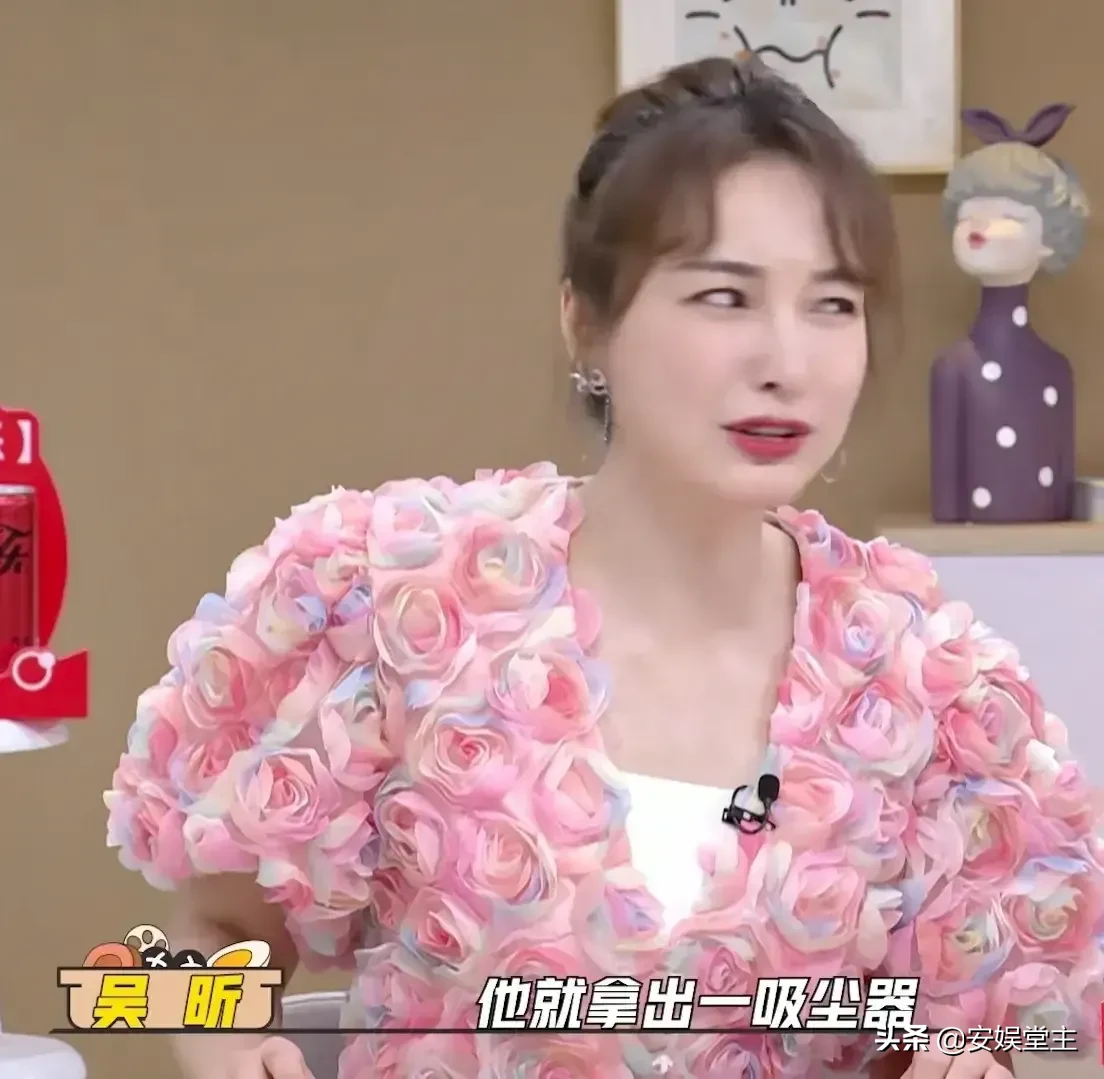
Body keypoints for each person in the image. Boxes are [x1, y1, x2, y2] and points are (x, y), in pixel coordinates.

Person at [104, 55, 1104, 1079]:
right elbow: (212, 928)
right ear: (586, 320)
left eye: (833, 305)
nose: (787, 361)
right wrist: (216, 1034)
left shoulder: (929, 679)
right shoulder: (388, 595)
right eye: (725, 296)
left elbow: (1030, 1029)